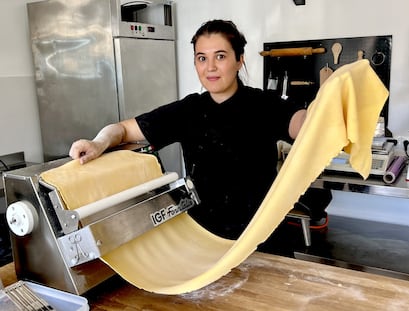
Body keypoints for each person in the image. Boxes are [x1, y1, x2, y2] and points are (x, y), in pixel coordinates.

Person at [69, 19, 311, 243]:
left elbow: (305, 124)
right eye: (202, 58)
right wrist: (98, 142)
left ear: (239, 60)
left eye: (220, 56)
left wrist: (332, 101)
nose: (211, 68)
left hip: (261, 235)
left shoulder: (264, 105)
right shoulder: (188, 110)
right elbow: (122, 130)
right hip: (203, 236)